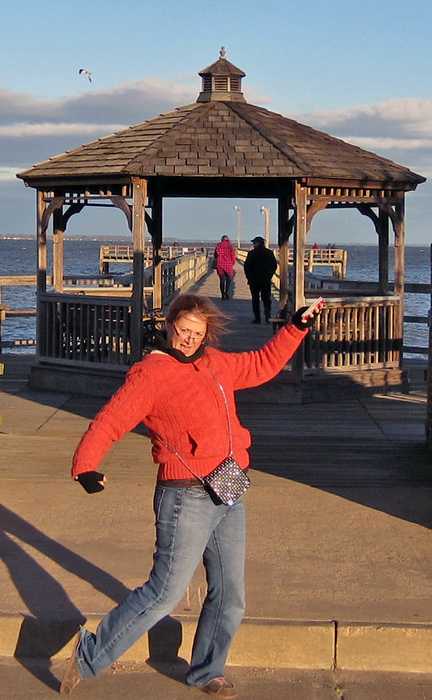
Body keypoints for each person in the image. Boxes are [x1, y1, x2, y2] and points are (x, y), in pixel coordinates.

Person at [61, 292, 323, 698]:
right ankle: (87, 656)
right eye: (183, 331)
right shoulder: (151, 373)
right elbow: (112, 419)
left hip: (229, 486)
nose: (188, 339)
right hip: (185, 495)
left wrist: (297, 327)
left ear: (205, 335)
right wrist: (86, 465)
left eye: (196, 334)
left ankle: (206, 671)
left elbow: (263, 363)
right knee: (164, 593)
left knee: (231, 594)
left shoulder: (216, 362)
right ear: (169, 326)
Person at [243, 236, 278, 324]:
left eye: (254, 243)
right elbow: (274, 265)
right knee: (266, 298)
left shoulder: (252, 253)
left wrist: (249, 277)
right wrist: (269, 275)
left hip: (254, 280)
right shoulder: (269, 253)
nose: (253, 244)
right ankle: (267, 316)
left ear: (257, 243)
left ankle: (257, 318)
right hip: (265, 279)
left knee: (255, 299)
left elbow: (246, 267)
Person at [212, 234, 236, 299]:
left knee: (222, 280)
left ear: (221, 240)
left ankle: (222, 294)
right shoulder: (230, 247)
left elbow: (215, 255)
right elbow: (233, 256)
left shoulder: (218, 246)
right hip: (228, 264)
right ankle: (226, 291)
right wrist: (233, 263)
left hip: (220, 264)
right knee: (229, 279)